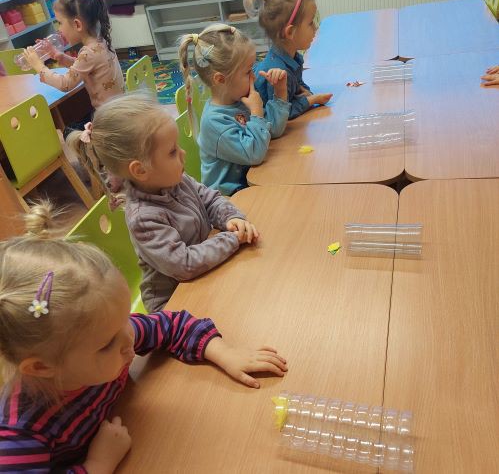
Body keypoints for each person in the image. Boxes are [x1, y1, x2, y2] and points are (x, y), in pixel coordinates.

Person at [0, 202, 288, 472]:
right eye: (107, 344)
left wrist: (224, 352)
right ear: (42, 367)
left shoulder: (110, 333)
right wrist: (97, 465)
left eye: (126, 318)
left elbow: (173, 325)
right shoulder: (19, 436)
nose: (130, 340)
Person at [69, 93, 259, 312]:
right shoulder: (143, 218)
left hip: (205, 272)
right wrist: (231, 239)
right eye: (172, 151)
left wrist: (230, 217)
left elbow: (210, 198)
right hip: (172, 303)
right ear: (141, 170)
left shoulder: (176, 179)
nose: (183, 153)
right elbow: (184, 264)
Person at [178, 24, 291, 195]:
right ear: (220, 79)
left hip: (251, 184)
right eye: (248, 72)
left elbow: (273, 130)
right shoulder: (214, 122)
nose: (253, 77)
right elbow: (255, 154)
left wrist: (280, 92)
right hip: (227, 200)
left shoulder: (239, 100)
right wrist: (256, 113)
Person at [244, 0, 333, 119]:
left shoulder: (293, 57)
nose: (316, 28)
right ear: (290, 32)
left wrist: (306, 92)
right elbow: (282, 114)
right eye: (311, 23)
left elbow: (298, 85)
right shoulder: (278, 74)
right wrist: (311, 100)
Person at [22, 0, 124, 109]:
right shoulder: (101, 42)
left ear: (77, 24)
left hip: (109, 116)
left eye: (60, 23)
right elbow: (85, 67)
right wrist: (61, 57)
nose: (59, 29)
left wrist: (38, 66)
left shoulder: (88, 53)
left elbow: (65, 84)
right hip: (119, 108)